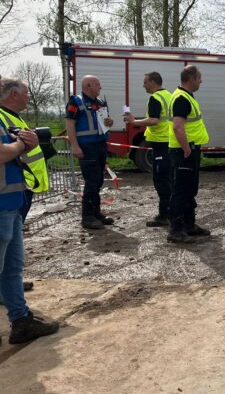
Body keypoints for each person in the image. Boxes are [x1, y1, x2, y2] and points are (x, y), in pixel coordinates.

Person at [0, 106, 59, 344]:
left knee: (12, 267)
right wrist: (22, 145)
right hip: (2, 205)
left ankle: (21, 321)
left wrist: (29, 143)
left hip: (11, 202)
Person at [167, 65, 211, 243]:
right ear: (191, 79)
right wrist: (186, 148)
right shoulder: (181, 98)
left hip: (189, 148)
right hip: (184, 150)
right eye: (199, 78)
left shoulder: (186, 97)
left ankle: (189, 225)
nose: (201, 81)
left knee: (190, 189)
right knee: (181, 190)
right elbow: (177, 126)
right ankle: (176, 230)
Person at [65, 75, 114, 230]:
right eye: (97, 84)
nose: (100, 87)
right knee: (92, 181)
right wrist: (74, 146)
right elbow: (70, 124)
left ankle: (96, 213)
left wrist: (109, 122)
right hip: (86, 147)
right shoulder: (76, 101)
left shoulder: (100, 102)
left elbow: (105, 122)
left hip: (100, 145)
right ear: (88, 86)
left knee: (98, 180)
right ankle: (87, 217)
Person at [124, 72, 173, 227]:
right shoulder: (169, 95)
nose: (143, 85)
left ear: (153, 82)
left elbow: (154, 120)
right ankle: (171, 213)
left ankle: (164, 216)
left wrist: (134, 121)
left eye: (145, 82)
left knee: (161, 181)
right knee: (170, 179)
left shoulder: (155, 98)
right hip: (170, 142)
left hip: (160, 143)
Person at [0, 78, 50, 222]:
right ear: (14, 94)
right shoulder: (3, 116)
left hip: (21, 185)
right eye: (26, 93)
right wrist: (23, 144)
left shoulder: (13, 116)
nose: (28, 96)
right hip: (11, 188)